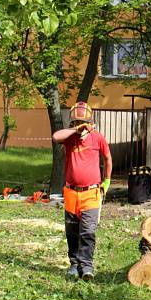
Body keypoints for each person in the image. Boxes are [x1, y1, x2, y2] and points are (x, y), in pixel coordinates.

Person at [52, 101, 112, 280]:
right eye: (76, 122)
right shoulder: (69, 138)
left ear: (90, 122)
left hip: (91, 193)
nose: (79, 125)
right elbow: (56, 136)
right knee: (72, 232)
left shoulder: (97, 138)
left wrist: (107, 181)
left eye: (82, 122)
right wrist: (74, 131)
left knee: (88, 232)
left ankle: (86, 266)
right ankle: (74, 264)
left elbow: (108, 158)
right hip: (71, 192)